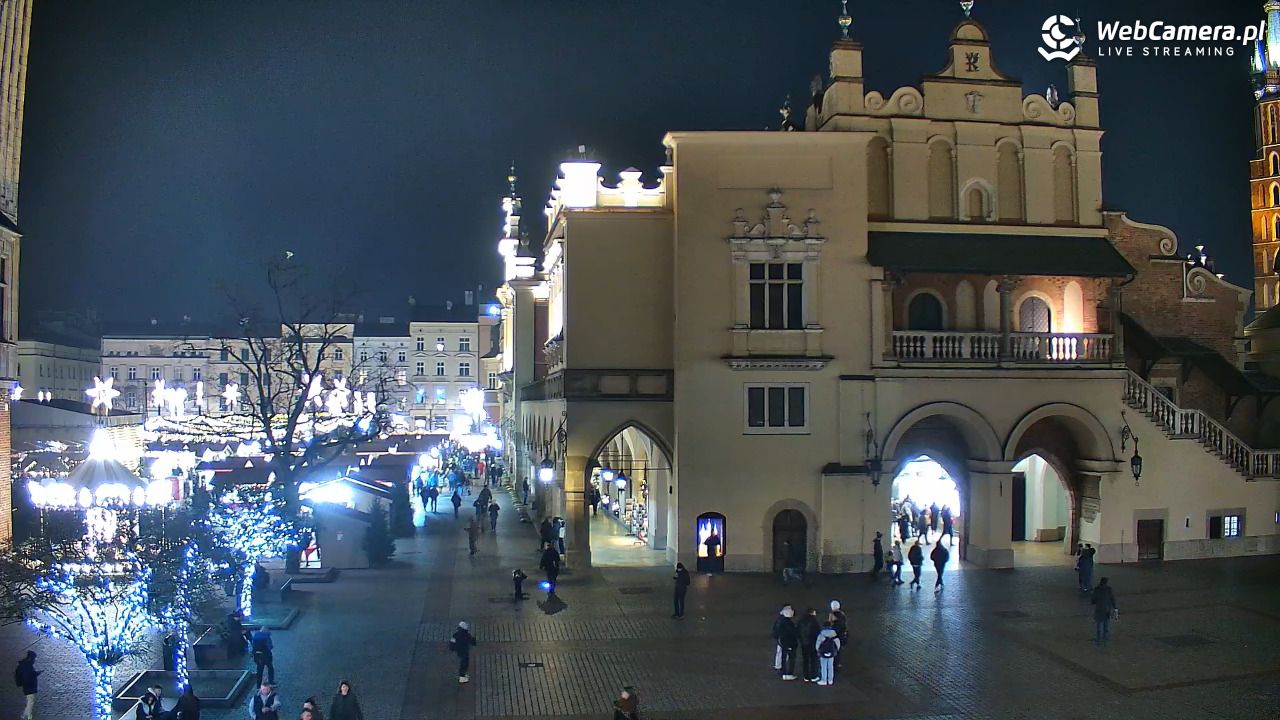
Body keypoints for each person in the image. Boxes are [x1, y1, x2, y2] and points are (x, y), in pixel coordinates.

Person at [1091, 577, 1119, 645]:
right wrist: (1115, 608)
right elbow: (1112, 599)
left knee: (1098, 625)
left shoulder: (1096, 589)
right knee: (1106, 625)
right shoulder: (1109, 590)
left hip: (1099, 610)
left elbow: (1093, 600)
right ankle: (1105, 638)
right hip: (1107, 610)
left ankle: (1098, 639)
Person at [775, 605, 799, 680]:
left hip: (783, 643)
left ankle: (783, 671)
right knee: (791, 659)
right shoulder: (788, 623)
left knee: (783, 657)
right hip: (789, 643)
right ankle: (788, 673)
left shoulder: (780, 621)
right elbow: (793, 633)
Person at [798, 608, 821, 683]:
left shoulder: (801, 621)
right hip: (813, 643)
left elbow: (798, 631)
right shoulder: (814, 621)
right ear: (812, 613)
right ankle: (814, 676)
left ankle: (806, 676)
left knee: (805, 660)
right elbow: (817, 632)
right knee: (814, 660)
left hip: (804, 643)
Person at [815, 620, 841, 686]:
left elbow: (818, 644)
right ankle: (830, 680)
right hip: (831, 652)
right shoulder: (834, 634)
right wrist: (836, 650)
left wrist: (818, 650)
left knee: (823, 666)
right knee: (830, 666)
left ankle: (824, 680)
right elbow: (838, 643)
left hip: (823, 652)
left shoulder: (821, 634)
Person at [15, 650, 38, 720]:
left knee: (30, 701)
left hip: (28, 686)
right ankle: (26, 716)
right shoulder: (27, 666)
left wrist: (35, 673)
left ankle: (26, 716)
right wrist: (35, 674)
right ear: (30, 658)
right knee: (30, 701)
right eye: (34, 658)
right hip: (29, 686)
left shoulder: (26, 664)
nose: (34, 660)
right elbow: (27, 676)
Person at [829, 600, 848, 670]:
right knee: (838, 650)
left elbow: (830, 625)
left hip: (834, 635)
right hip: (841, 635)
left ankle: (833, 663)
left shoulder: (831, 615)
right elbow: (844, 626)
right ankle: (838, 663)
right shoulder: (843, 615)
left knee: (833, 649)